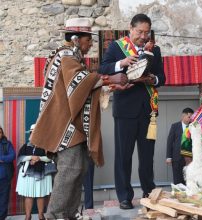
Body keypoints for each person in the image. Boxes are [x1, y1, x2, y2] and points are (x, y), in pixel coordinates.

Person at [30, 18, 127, 219]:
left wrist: (109, 85)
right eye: (88, 39)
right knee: (70, 170)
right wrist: (110, 78)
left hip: (72, 124)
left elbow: (84, 85)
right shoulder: (66, 57)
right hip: (65, 125)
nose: (91, 43)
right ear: (75, 39)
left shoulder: (71, 56)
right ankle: (54, 215)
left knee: (79, 169)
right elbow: (79, 81)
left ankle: (69, 214)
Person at [99, 13, 165, 209]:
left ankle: (148, 193)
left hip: (148, 111)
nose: (143, 36)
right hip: (125, 109)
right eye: (139, 32)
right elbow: (103, 68)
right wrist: (122, 63)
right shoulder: (116, 47)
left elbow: (162, 77)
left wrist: (152, 79)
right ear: (130, 28)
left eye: (146, 32)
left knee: (147, 157)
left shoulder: (155, 49)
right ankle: (124, 197)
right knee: (123, 156)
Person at [16, 124, 53, 220]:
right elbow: (20, 158)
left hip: (42, 173)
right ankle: (28, 216)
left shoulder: (45, 146)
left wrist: (39, 158)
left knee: (40, 194)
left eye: (35, 133)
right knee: (29, 195)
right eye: (32, 133)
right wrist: (30, 157)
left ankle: (41, 215)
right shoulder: (25, 146)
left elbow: (50, 158)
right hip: (28, 174)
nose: (33, 135)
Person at [166, 108, 194, 185]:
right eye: (189, 117)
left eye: (192, 117)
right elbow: (170, 142)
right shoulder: (175, 126)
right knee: (177, 179)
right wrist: (169, 157)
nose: (190, 119)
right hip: (177, 157)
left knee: (188, 178)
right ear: (183, 116)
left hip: (189, 157)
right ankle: (177, 195)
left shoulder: (193, 126)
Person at [0, 126, 15, 220]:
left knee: (3, 200)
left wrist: (1, 159)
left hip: (5, 177)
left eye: (0, 132)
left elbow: (12, 155)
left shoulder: (7, 144)